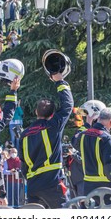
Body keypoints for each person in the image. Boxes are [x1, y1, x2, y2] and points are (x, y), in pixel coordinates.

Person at [18, 72, 74, 208]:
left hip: (33, 186)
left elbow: (23, 163)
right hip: (52, 184)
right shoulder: (53, 125)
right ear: (52, 114)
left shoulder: (24, 134)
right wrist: (60, 82)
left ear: (36, 112)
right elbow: (68, 105)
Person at [72, 108, 111, 201]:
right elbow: (109, 167)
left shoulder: (83, 135)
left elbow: (74, 141)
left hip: (87, 186)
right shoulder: (107, 139)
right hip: (105, 187)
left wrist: (87, 124)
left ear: (99, 118)